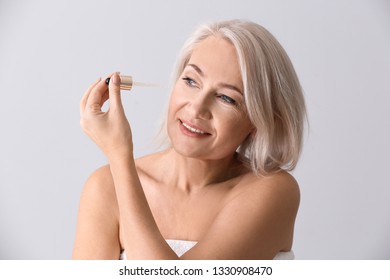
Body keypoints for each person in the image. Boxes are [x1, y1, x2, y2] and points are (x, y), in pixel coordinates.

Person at [73, 19, 306, 260]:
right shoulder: (104, 187)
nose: (196, 109)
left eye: (227, 98)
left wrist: (120, 158)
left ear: (260, 122)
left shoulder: (272, 191)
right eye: (191, 81)